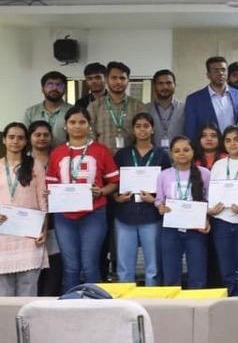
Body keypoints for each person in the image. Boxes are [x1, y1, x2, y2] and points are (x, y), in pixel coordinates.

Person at [46, 106, 119, 291]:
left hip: (93, 214)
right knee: (70, 267)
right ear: (65, 126)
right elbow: (50, 184)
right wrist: (49, 193)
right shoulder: (57, 152)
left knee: (90, 265)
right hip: (64, 216)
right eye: (72, 122)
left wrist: (101, 191)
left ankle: (95, 307)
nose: (77, 126)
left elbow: (114, 182)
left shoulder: (102, 151)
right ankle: (69, 308)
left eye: (82, 122)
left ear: (89, 125)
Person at [112, 113, 172, 286]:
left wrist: (154, 199)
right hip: (125, 214)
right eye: (138, 126)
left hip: (151, 215)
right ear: (133, 130)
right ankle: (125, 303)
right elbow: (114, 182)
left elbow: (168, 186)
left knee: (152, 265)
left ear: (152, 129)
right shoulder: (122, 155)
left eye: (146, 126)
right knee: (124, 265)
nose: (142, 129)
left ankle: (152, 301)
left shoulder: (162, 155)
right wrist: (117, 197)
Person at [207, 126, 238, 296]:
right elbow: (211, 194)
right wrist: (211, 210)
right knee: (226, 268)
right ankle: (232, 308)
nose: (232, 143)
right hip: (222, 221)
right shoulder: (219, 165)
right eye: (228, 140)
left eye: (237, 139)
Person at [155, 136, 211, 288]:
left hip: (196, 229)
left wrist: (206, 219)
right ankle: (174, 308)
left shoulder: (204, 173)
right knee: (171, 275)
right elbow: (159, 200)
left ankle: (197, 308)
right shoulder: (164, 175)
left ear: (193, 151)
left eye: (186, 150)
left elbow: (208, 199)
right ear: (171, 154)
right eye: (177, 151)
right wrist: (161, 207)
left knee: (198, 274)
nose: (182, 154)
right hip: (171, 228)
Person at [0, 122, 48, 296]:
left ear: (26, 141)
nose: (15, 141)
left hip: (29, 236)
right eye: (11, 137)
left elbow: (43, 200)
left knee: (28, 291)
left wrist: (44, 229)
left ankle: (26, 324)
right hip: (3, 236)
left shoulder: (35, 165)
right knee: (3, 294)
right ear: (4, 140)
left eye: (20, 138)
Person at [30, 121, 62, 296]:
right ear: (31, 137)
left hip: (56, 218)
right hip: (30, 219)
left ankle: (50, 298)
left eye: (46, 135)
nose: (42, 138)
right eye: (37, 134)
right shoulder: (24, 160)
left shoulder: (58, 157)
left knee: (55, 262)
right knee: (33, 264)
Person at [184, 56, 238, 142]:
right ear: (208, 75)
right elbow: (190, 131)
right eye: (216, 70)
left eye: (223, 70)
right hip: (208, 149)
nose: (220, 73)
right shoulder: (194, 100)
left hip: (234, 147)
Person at [89, 61, 145, 153]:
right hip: (103, 158)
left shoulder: (138, 106)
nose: (118, 82)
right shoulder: (95, 106)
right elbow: (90, 135)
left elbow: (143, 134)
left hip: (131, 158)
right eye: (114, 78)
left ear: (128, 80)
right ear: (107, 79)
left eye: (122, 78)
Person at [24, 71, 72, 147]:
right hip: (36, 157)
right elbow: (25, 137)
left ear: (65, 89)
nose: (54, 88)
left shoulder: (73, 111)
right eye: (50, 85)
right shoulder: (31, 112)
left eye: (59, 85)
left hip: (64, 157)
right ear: (42, 89)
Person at [144, 69, 185, 149]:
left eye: (168, 83)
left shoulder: (184, 108)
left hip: (179, 157)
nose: (165, 87)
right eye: (160, 83)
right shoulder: (145, 109)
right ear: (154, 86)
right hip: (153, 157)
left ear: (175, 85)